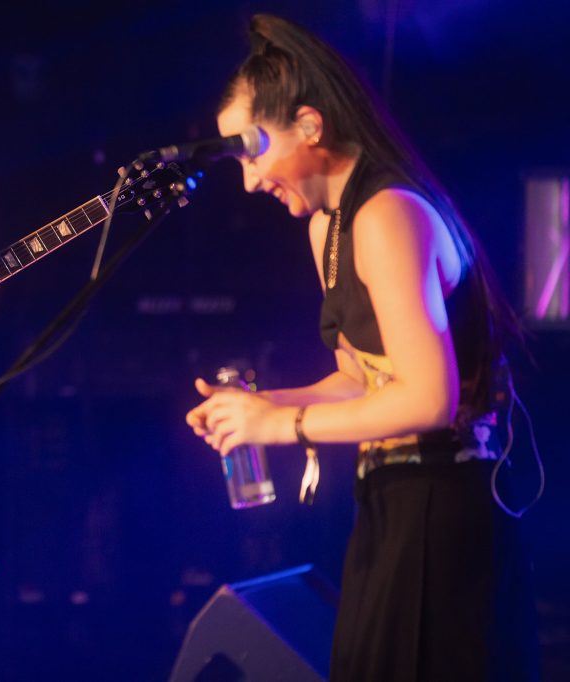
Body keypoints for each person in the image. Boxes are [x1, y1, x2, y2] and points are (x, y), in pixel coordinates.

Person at [185, 15, 537, 681]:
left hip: (442, 504)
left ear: (310, 126)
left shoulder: (388, 213)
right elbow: (363, 378)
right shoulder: (328, 227)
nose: (250, 181)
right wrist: (259, 407)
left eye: (252, 152)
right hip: (388, 500)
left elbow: (428, 398)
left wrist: (283, 426)